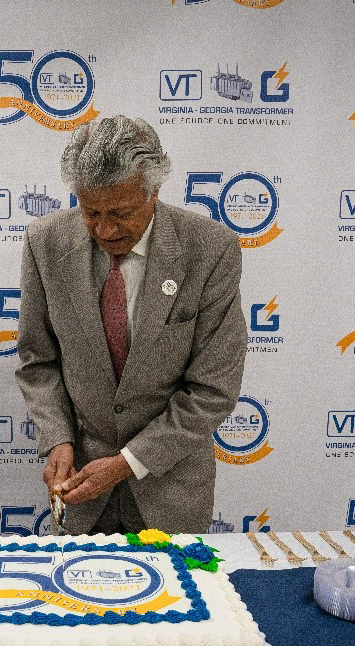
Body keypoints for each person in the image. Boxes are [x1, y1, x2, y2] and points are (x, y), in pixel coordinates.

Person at [15, 115, 247, 535]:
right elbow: (39, 362)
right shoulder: (43, 242)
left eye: (120, 213)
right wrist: (57, 439)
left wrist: (126, 464)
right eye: (90, 213)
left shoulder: (211, 250)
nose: (104, 229)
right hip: (80, 496)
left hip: (170, 494)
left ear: (154, 192)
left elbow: (212, 391)